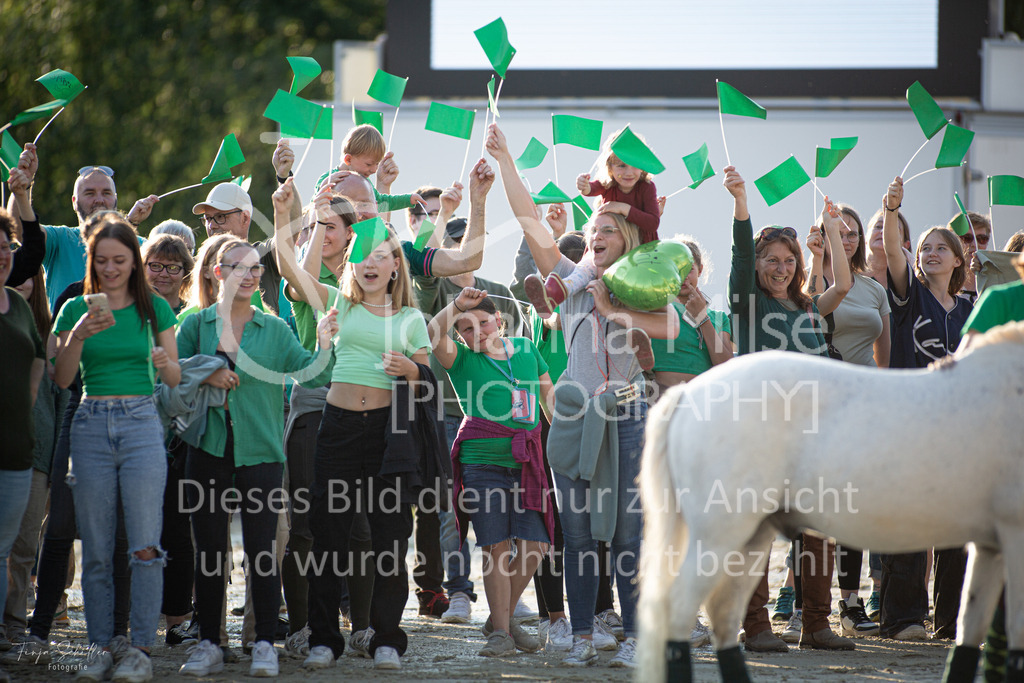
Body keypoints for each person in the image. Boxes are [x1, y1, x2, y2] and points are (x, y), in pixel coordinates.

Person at [487, 122, 678, 668]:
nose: (597, 236)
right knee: (575, 534)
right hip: (572, 413)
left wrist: (615, 308)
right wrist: (505, 163)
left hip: (630, 415)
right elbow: (530, 223)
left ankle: (639, 637)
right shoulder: (571, 278)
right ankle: (581, 635)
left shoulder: (646, 288)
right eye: (593, 232)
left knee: (625, 532)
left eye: (610, 232)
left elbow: (667, 327)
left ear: (630, 242)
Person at [273, 177, 439, 673]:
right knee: (328, 536)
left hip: (390, 437)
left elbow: (428, 379)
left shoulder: (410, 317)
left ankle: (387, 636)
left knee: (390, 539)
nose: (370, 264)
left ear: (394, 268)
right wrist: (287, 217)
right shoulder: (337, 304)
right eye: (362, 257)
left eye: (381, 257)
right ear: (352, 265)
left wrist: (411, 369)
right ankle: (325, 638)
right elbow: (291, 273)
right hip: (338, 428)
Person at [175, 236, 335, 678]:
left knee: (263, 552)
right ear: (216, 271)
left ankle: (264, 642)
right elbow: (168, 375)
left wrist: (324, 342)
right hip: (206, 446)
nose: (248, 274)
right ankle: (209, 641)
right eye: (237, 266)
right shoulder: (196, 325)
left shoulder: (275, 328)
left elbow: (314, 372)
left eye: (254, 268)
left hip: (262, 451)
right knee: (209, 552)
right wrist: (209, 369)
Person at [723, 165, 855, 653]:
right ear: (758, 266)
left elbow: (842, 283)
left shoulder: (808, 308)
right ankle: (755, 626)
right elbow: (739, 255)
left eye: (788, 260)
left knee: (819, 530)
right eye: (771, 260)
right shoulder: (748, 306)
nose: (781, 267)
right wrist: (741, 202)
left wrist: (836, 232)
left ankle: (816, 625)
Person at [53, 214, 181, 682]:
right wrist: (80, 333)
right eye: (102, 261)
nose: (110, 269)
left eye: (120, 261)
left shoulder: (154, 311)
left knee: (145, 546)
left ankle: (139, 649)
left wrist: (165, 361)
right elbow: (63, 378)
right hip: (90, 423)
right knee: (98, 549)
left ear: (134, 262)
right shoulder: (74, 310)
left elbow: (174, 379)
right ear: (93, 261)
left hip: (142, 423)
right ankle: (99, 646)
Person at [428, 287, 553, 657]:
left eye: (483, 322)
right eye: (466, 328)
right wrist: (456, 305)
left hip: (528, 461)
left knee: (536, 545)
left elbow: (549, 397)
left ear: (500, 320)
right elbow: (433, 334)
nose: (477, 332)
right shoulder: (462, 361)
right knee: (495, 546)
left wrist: (566, 441)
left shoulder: (528, 350)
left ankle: (499, 618)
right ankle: (501, 632)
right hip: (482, 463)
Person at [413, 214, 525, 624]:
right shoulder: (432, 288)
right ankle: (459, 590)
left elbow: (517, 353)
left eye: (467, 241)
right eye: (452, 242)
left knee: (508, 510)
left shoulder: (497, 293)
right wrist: (455, 306)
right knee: (452, 509)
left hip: (503, 422)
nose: (461, 248)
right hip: (447, 413)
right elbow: (425, 331)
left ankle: (509, 593)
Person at [880, 176, 973, 642]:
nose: (930, 253)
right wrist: (893, 210)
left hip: (958, 432)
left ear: (958, 259)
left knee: (956, 528)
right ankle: (904, 618)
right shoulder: (907, 295)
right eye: (926, 248)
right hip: (909, 422)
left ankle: (950, 621)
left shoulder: (972, 306)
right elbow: (893, 254)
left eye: (941, 248)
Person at [805, 203, 889, 638]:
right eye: (839, 230)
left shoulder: (875, 289)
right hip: (824, 400)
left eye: (853, 231)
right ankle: (807, 601)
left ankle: (852, 603)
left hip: (866, 401)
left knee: (855, 503)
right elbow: (814, 311)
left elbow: (884, 352)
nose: (848, 237)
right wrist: (820, 254)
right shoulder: (814, 280)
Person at [524, 129, 662, 318]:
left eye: (634, 165)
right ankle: (556, 293)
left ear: (643, 166)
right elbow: (590, 189)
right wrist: (583, 184)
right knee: (585, 268)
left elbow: (653, 222)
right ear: (610, 168)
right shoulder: (608, 184)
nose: (629, 172)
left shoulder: (646, 187)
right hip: (606, 248)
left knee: (632, 291)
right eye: (621, 166)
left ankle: (634, 320)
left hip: (637, 250)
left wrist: (623, 208)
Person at [1, 266, 67, 652]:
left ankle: (13, 621)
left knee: (25, 546)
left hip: (38, 450)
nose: (21, 278)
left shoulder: (48, 330)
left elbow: (61, 396)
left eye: (29, 272)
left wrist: (59, 454)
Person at [7, 144, 152, 309]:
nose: (99, 200)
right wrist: (22, 187)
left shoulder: (141, 246)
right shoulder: (60, 239)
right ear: (74, 202)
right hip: (66, 333)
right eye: (89, 193)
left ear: (115, 199)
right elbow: (19, 232)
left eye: (106, 193)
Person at [0, 189, 47, 683]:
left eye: (5, 249)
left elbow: (37, 360)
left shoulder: (16, 303)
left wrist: (25, 412)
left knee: (5, 550)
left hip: (16, 450)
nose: (2, 257)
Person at [649, 235, 733, 396]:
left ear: (700, 270)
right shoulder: (656, 307)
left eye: (689, 269)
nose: (682, 277)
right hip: (661, 398)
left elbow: (727, 368)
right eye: (675, 269)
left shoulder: (718, 317)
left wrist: (702, 318)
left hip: (704, 402)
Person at [191, 182, 282, 313]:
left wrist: (283, 179)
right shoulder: (197, 265)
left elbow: (289, 235)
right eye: (208, 218)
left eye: (220, 216)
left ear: (245, 218)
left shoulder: (264, 255)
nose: (211, 226)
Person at [308, 125, 423, 217]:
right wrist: (323, 188)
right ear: (348, 159)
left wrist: (408, 199)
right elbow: (313, 208)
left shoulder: (365, 183)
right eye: (369, 164)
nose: (374, 170)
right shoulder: (329, 178)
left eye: (377, 164)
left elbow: (382, 201)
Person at [142, 234, 193, 314]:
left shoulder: (193, 314)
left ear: (185, 272)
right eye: (156, 266)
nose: (164, 274)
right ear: (143, 267)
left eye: (173, 268)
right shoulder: (131, 310)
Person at [947, 210, 991, 302]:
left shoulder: (994, 284)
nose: (974, 244)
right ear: (951, 241)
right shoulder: (943, 284)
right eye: (967, 238)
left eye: (982, 239)